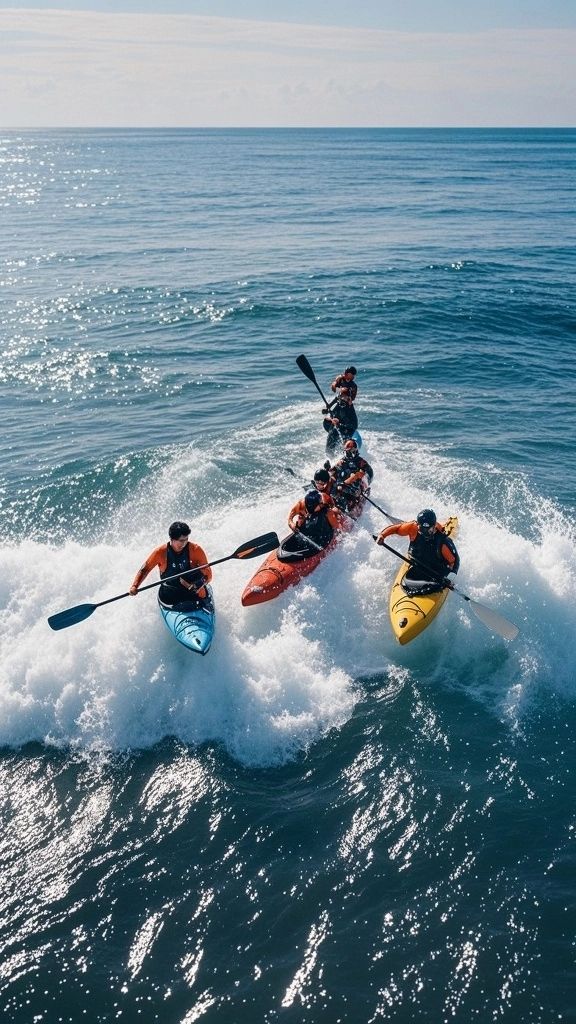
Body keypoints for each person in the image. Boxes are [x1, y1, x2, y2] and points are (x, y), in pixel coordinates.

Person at [129, 521, 212, 607]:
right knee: (171, 594)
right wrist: (135, 586)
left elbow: (208, 574)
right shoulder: (160, 553)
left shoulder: (196, 550)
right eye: (181, 540)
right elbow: (145, 570)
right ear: (172, 539)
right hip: (171, 595)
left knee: (199, 581)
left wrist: (198, 584)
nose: (184, 543)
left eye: (186, 539)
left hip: (193, 592)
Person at [376, 508, 459, 594]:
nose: (424, 532)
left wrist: (451, 577)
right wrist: (382, 535)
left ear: (434, 527)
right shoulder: (413, 527)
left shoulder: (442, 542)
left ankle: (444, 527)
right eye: (421, 528)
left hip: (435, 569)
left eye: (428, 529)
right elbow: (396, 529)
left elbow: (455, 561)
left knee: (437, 584)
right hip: (416, 563)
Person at [328, 438, 373, 511]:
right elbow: (333, 470)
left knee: (344, 495)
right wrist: (328, 469)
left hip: (353, 489)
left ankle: (345, 507)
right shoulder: (343, 461)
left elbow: (359, 475)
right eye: (346, 452)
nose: (347, 454)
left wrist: (344, 483)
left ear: (355, 451)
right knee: (332, 485)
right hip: (341, 486)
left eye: (350, 452)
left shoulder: (361, 462)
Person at [323, 366, 359, 452]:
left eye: (353, 375)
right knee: (330, 420)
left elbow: (351, 398)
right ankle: (334, 435)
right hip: (339, 405)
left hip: (347, 407)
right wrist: (328, 408)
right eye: (350, 374)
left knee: (350, 425)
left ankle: (346, 442)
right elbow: (335, 390)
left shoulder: (353, 386)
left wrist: (347, 397)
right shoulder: (340, 378)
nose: (352, 376)